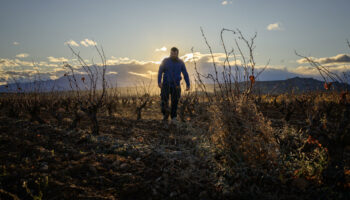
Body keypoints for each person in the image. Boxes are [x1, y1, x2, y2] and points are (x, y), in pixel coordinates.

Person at [158, 47, 190, 122]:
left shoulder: (181, 62)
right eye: (172, 53)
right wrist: (159, 82)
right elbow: (160, 72)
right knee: (164, 101)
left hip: (176, 85)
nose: (173, 55)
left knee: (175, 101)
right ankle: (165, 116)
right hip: (166, 84)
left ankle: (173, 117)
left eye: (175, 54)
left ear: (177, 54)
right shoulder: (165, 61)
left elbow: (185, 73)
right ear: (170, 53)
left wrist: (188, 84)